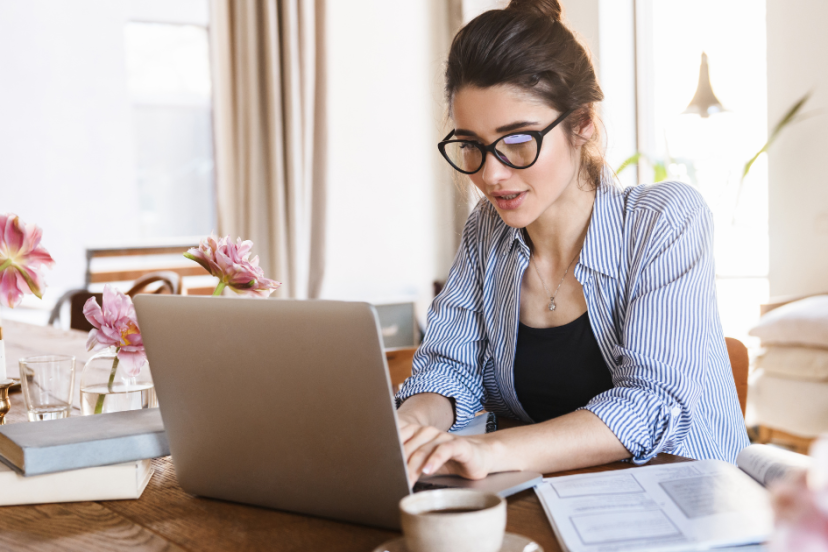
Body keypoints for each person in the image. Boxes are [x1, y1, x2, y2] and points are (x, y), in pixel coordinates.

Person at [395, 0, 750, 486]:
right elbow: (447, 370)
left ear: (582, 122)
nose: (490, 174)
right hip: (554, 506)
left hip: (686, 502)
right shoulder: (487, 231)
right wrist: (410, 427)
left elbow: (650, 404)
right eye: (472, 145)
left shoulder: (665, 221)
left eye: (517, 139)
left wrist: (488, 449)